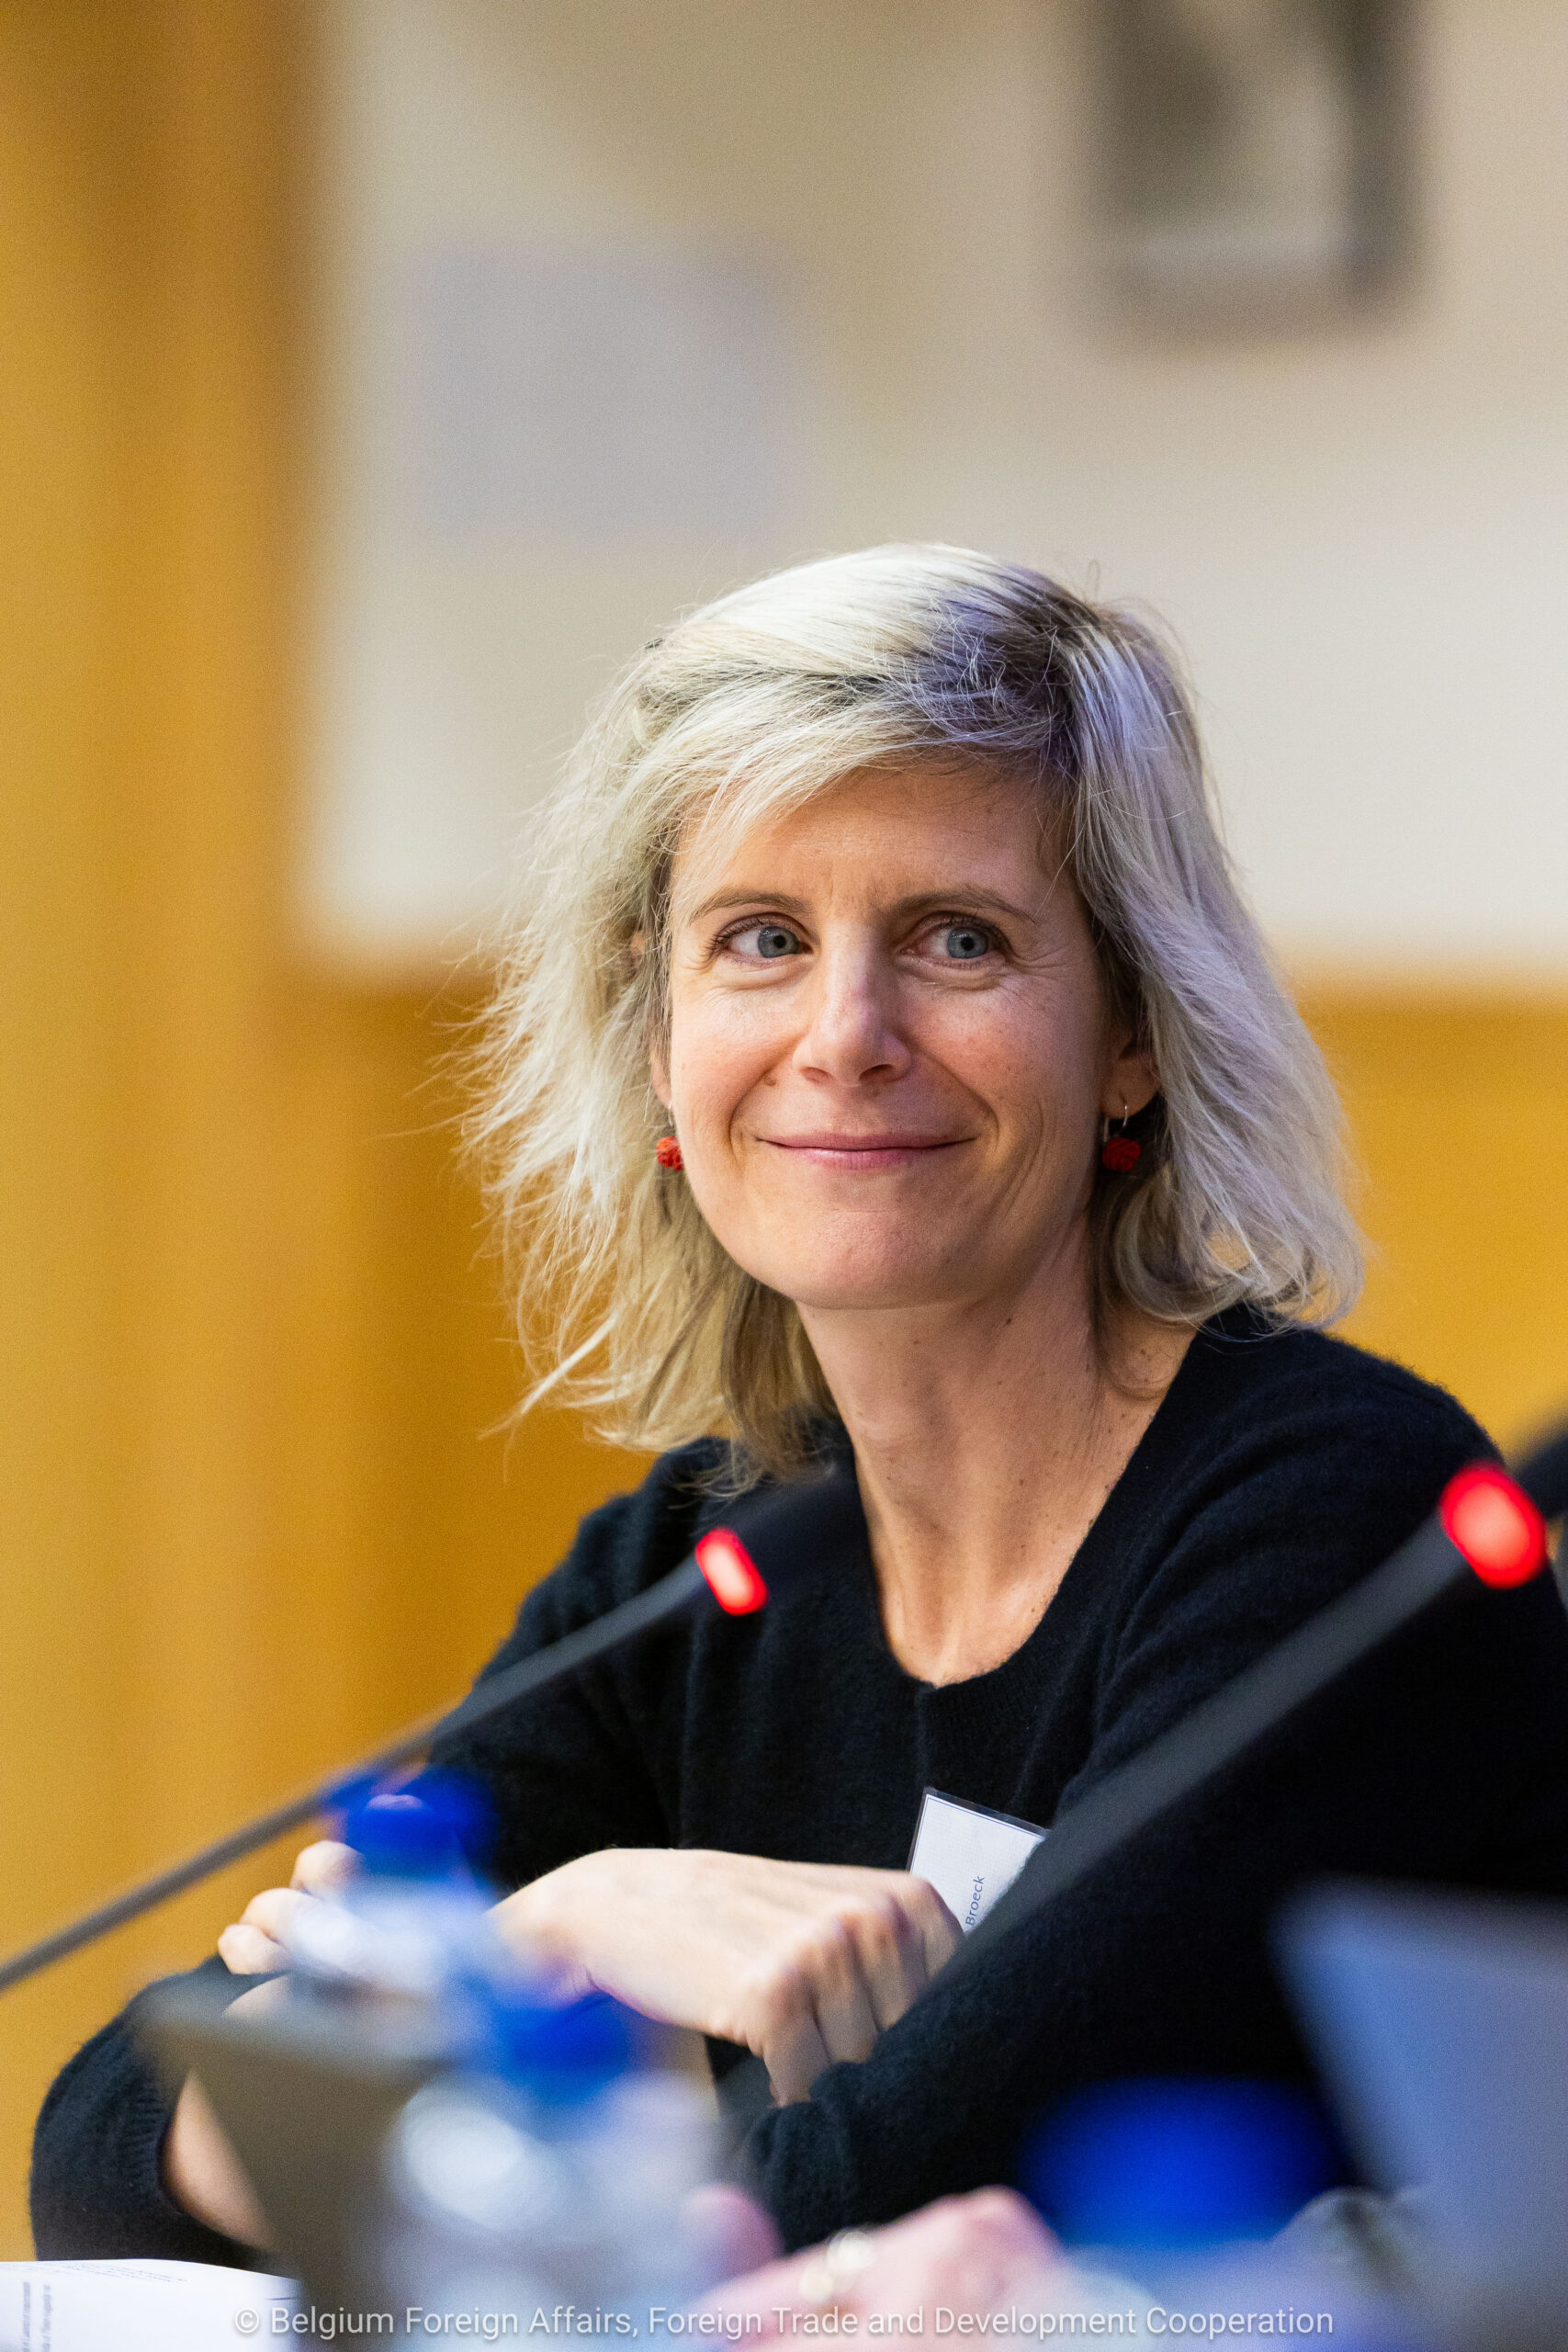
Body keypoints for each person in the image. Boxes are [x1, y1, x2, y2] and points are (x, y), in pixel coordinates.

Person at [32, 547, 1568, 2267]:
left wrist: (462, 2084)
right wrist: (561, 1927)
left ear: (1133, 1032)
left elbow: (881, 2199)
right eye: (762, 940)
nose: (846, 1034)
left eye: (958, 941)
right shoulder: (713, 1552)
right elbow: (107, 2148)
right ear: (659, 1031)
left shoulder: (1344, 1526)